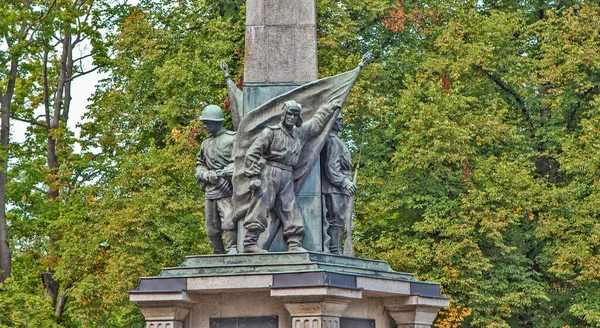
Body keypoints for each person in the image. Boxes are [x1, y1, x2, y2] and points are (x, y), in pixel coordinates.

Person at [242, 100, 342, 253]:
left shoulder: (299, 134)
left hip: (287, 174)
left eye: (295, 115)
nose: (292, 117)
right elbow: (252, 153)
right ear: (283, 115)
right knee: (260, 206)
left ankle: (294, 243)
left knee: (290, 208)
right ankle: (250, 243)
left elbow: (316, 124)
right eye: (289, 114)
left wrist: (330, 108)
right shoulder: (271, 132)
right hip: (269, 171)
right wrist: (253, 175)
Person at [195, 105, 237, 254]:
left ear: (217, 122)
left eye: (208, 123)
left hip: (227, 188)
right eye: (204, 122)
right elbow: (200, 165)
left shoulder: (232, 139)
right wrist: (206, 174)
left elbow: (239, 162)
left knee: (229, 220)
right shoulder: (205, 143)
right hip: (210, 190)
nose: (205, 126)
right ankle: (218, 252)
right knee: (211, 227)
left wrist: (224, 172)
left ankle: (232, 248)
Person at [321, 114, 356, 254]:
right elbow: (331, 168)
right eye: (338, 119)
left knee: (339, 219)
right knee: (336, 219)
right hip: (334, 187)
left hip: (339, 187)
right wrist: (345, 182)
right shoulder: (333, 141)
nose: (341, 122)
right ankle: (334, 249)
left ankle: (335, 248)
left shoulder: (335, 140)